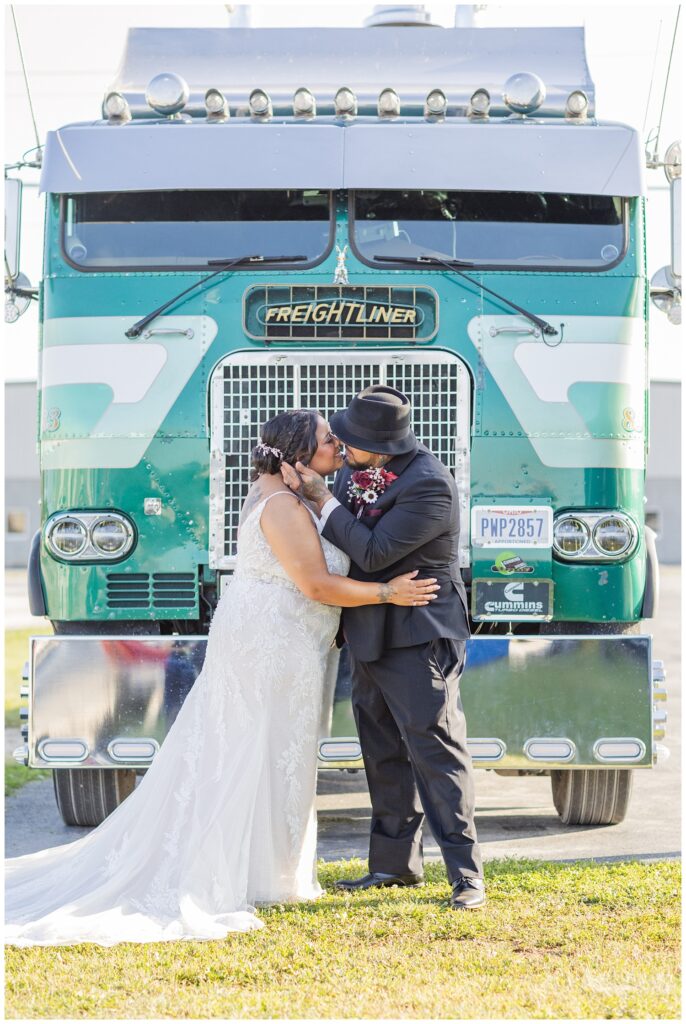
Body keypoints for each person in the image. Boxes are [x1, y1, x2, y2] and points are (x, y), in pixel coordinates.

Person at [5, 409, 439, 946]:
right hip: (272, 639)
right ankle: (243, 871)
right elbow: (317, 585)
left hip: (292, 640)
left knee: (274, 749)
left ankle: (266, 869)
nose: (340, 448)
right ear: (299, 456)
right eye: (330, 440)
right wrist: (386, 593)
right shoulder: (282, 506)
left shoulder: (294, 498)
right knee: (250, 748)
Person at [281, 386, 485, 910]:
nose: (341, 446)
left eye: (349, 439)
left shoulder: (430, 486)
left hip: (419, 632)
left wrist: (321, 499)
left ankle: (467, 876)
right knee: (382, 750)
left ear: (381, 444)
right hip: (368, 629)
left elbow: (372, 552)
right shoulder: (355, 471)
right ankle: (393, 866)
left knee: (436, 750)